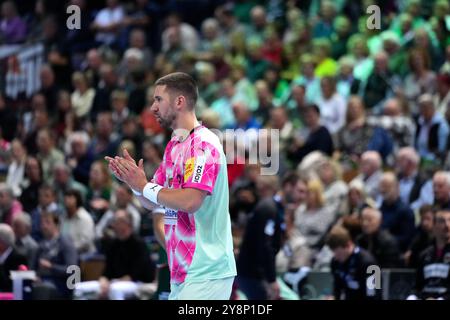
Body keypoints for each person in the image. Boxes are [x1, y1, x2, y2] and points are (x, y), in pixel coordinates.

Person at [106, 72, 236, 300]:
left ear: (179, 101)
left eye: (158, 100)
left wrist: (145, 186)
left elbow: (190, 201)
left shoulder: (202, 145)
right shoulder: (174, 145)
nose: (153, 108)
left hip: (206, 270)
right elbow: (152, 200)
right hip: (183, 273)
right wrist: (135, 185)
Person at [326, 226, 379, 300]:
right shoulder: (335, 262)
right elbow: (337, 289)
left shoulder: (369, 264)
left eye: (339, 254)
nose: (336, 257)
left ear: (348, 245)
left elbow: (373, 295)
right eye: (334, 253)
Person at [408, 209, 450, 300]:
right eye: (442, 221)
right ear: (434, 226)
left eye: (449, 220)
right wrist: (412, 297)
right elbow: (417, 287)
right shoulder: (425, 254)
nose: (447, 225)